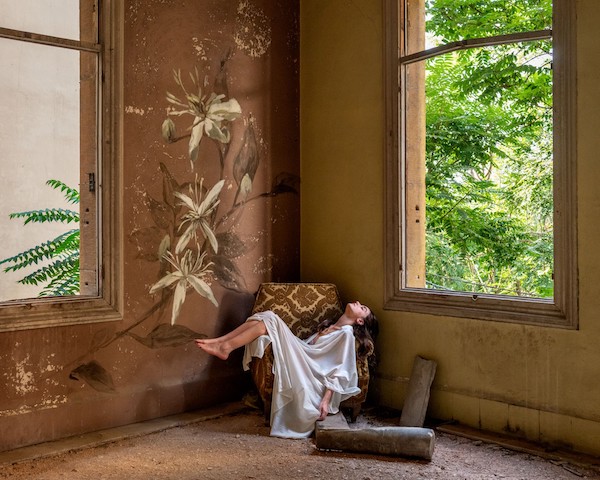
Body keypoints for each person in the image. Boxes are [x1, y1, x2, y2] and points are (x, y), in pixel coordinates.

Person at [195, 301, 378, 439]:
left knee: (270, 318)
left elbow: (340, 370)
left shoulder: (346, 334)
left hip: (308, 365)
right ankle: (221, 343)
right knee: (266, 317)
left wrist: (326, 399)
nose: (358, 303)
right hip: (303, 353)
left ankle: (224, 346)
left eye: (363, 308)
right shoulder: (331, 327)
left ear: (360, 321)